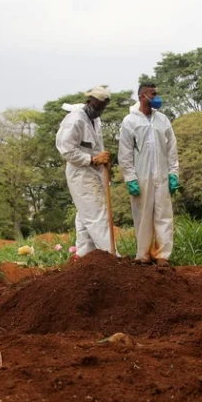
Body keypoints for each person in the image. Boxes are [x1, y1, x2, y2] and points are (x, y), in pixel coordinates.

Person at [117, 83, 180, 266]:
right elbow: (125, 153)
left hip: (162, 175)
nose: (157, 97)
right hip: (141, 177)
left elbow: (171, 148)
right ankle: (143, 255)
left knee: (164, 215)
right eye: (153, 94)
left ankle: (162, 256)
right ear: (142, 96)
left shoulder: (163, 120)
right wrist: (130, 178)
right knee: (143, 215)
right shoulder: (130, 121)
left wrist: (173, 173)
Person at [55, 86, 116, 257]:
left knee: (84, 216)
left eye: (103, 107)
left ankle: (84, 256)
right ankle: (112, 258)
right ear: (90, 101)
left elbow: (96, 146)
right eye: (98, 106)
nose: (100, 111)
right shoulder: (75, 120)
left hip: (95, 172)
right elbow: (66, 150)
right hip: (80, 174)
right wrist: (92, 159)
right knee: (97, 215)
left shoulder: (95, 120)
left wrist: (102, 161)